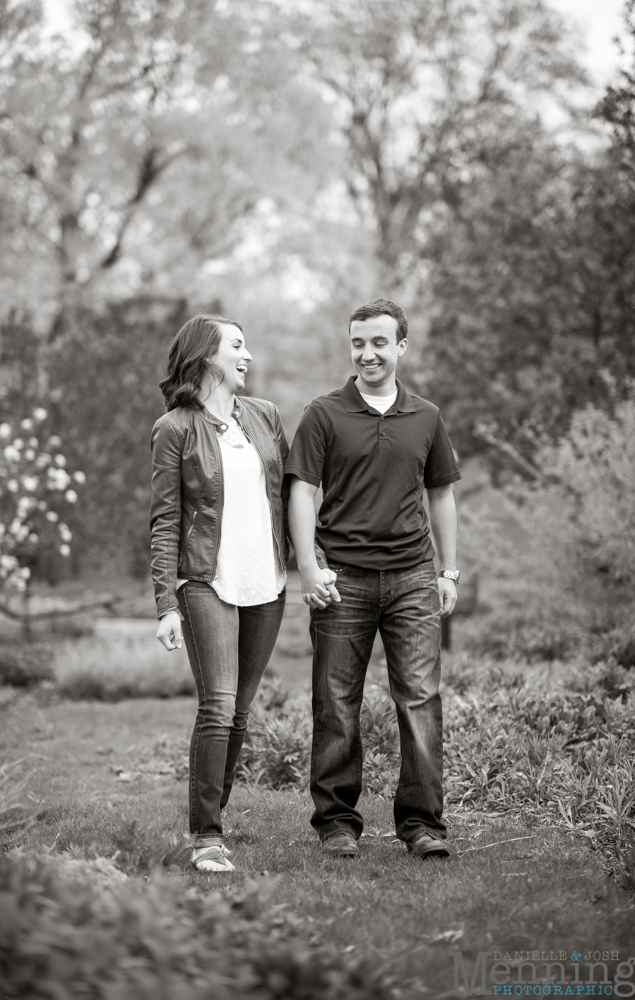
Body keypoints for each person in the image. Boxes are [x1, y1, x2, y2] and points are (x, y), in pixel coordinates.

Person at [286, 297, 461, 860]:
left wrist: (448, 570)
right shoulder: (323, 413)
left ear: (401, 346)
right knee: (335, 702)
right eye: (359, 343)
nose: (368, 354)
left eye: (380, 343)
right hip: (343, 580)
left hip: (413, 576)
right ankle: (336, 822)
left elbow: (442, 494)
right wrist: (309, 567)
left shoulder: (427, 416)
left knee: (421, 698)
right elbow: (300, 492)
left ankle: (422, 824)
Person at [150, 314, 288, 872]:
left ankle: (215, 817)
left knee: (241, 713)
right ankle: (205, 836)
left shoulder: (266, 417)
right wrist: (166, 604)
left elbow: (290, 497)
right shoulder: (175, 427)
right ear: (208, 357)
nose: (247, 354)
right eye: (237, 346)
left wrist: (313, 563)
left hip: (267, 581)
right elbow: (164, 521)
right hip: (206, 579)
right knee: (219, 706)